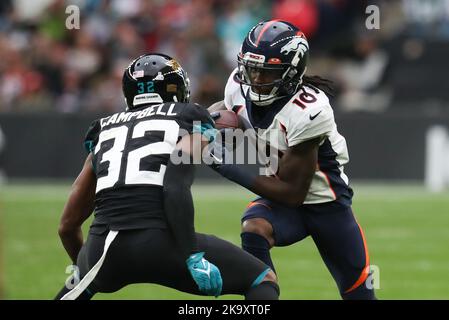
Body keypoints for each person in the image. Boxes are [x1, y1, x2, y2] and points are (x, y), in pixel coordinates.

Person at [54, 53, 278, 300]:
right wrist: (192, 256)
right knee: (262, 280)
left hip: (104, 246)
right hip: (161, 242)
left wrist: (84, 265)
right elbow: (174, 186)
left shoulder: (103, 128)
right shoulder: (189, 115)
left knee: (78, 286)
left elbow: (67, 225)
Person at [208, 20, 376, 300]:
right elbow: (225, 112)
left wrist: (225, 166)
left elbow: (293, 193)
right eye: (252, 69)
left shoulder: (309, 110)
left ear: (291, 71)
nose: (255, 80)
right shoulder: (239, 85)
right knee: (254, 228)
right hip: (281, 197)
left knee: (359, 295)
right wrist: (205, 121)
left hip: (326, 204)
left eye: (266, 73)